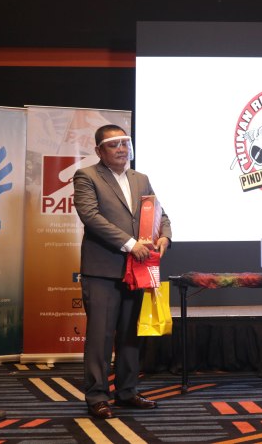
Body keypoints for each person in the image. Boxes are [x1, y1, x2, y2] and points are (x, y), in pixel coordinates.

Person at [73, 124, 172, 419]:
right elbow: (90, 216)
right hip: (102, 270)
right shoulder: (87, 176)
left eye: (124, 143)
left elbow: (160, 213)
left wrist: (165, 236)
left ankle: (127, 392)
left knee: (130, 335)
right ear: (99, 150)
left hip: (137, 270)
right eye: (113, 144)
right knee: (100, 337)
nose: (121, 149)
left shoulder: (141, 179)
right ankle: (97, 396)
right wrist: (130, 244)